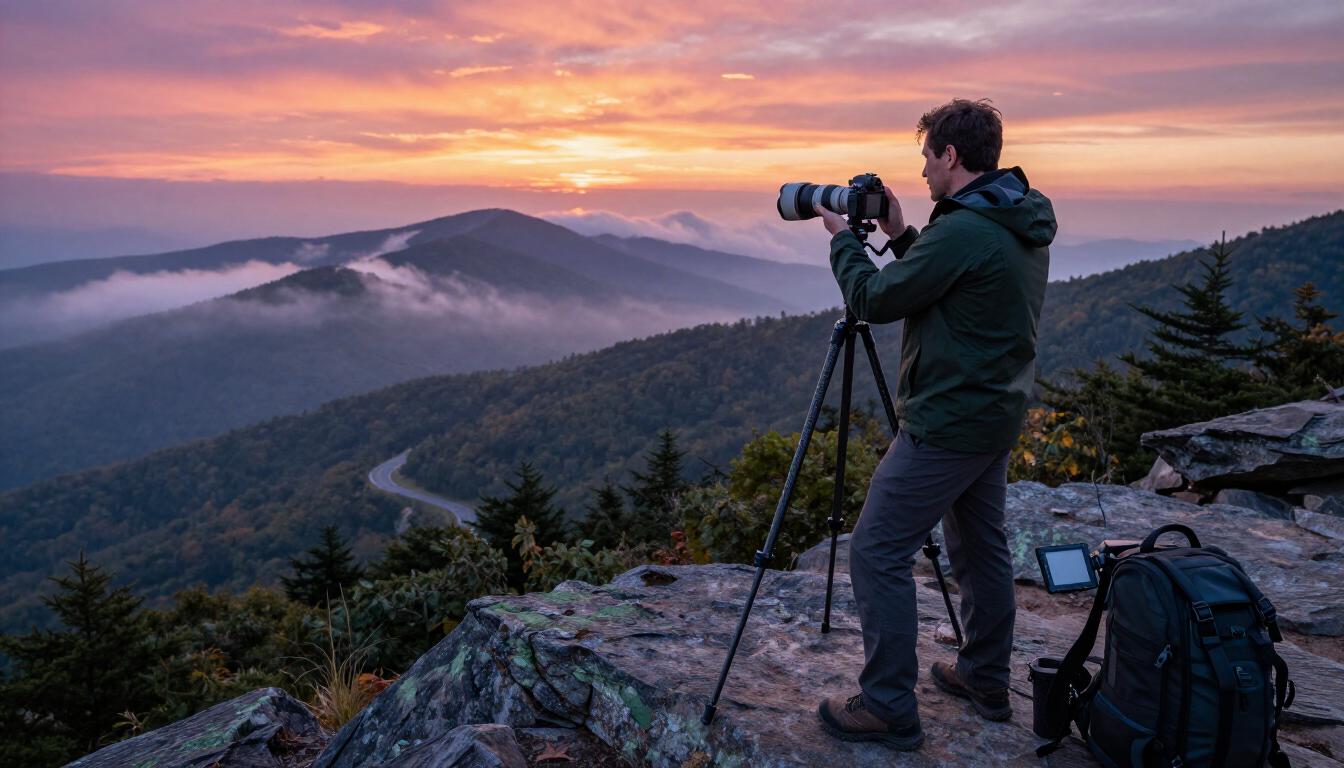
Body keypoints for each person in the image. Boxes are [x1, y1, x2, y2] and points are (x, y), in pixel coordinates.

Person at [812, 98, 1055, 751]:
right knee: (980, 548)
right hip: (994, 412)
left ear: (950, 156)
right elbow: (949, 279)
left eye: (926, 156)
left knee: (875, 550)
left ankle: (889, 705)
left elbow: (875, 299)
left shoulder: (967, 228)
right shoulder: (1011, 217)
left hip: (947, 419)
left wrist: (843, 242)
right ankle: (983, 676)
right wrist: (897, 233)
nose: (920, 172)